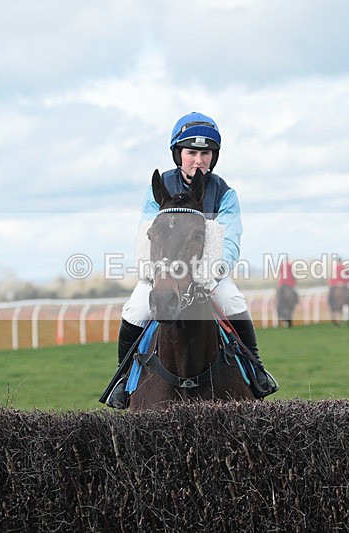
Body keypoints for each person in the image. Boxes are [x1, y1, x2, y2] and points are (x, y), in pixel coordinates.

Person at [104, 112, 279, 409]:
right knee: (136, 309)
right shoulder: (158, 189)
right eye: (191, 153)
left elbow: (230, 240)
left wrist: (209, 274)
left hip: (207, 273)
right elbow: (147, 233)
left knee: (233, 301)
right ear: (179, 154)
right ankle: (122, 379)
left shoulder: (224, 193)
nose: (198, 160)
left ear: (213, 157)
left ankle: (256, 370)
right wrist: (155, 273)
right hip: (163, 272)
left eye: (205, 154)